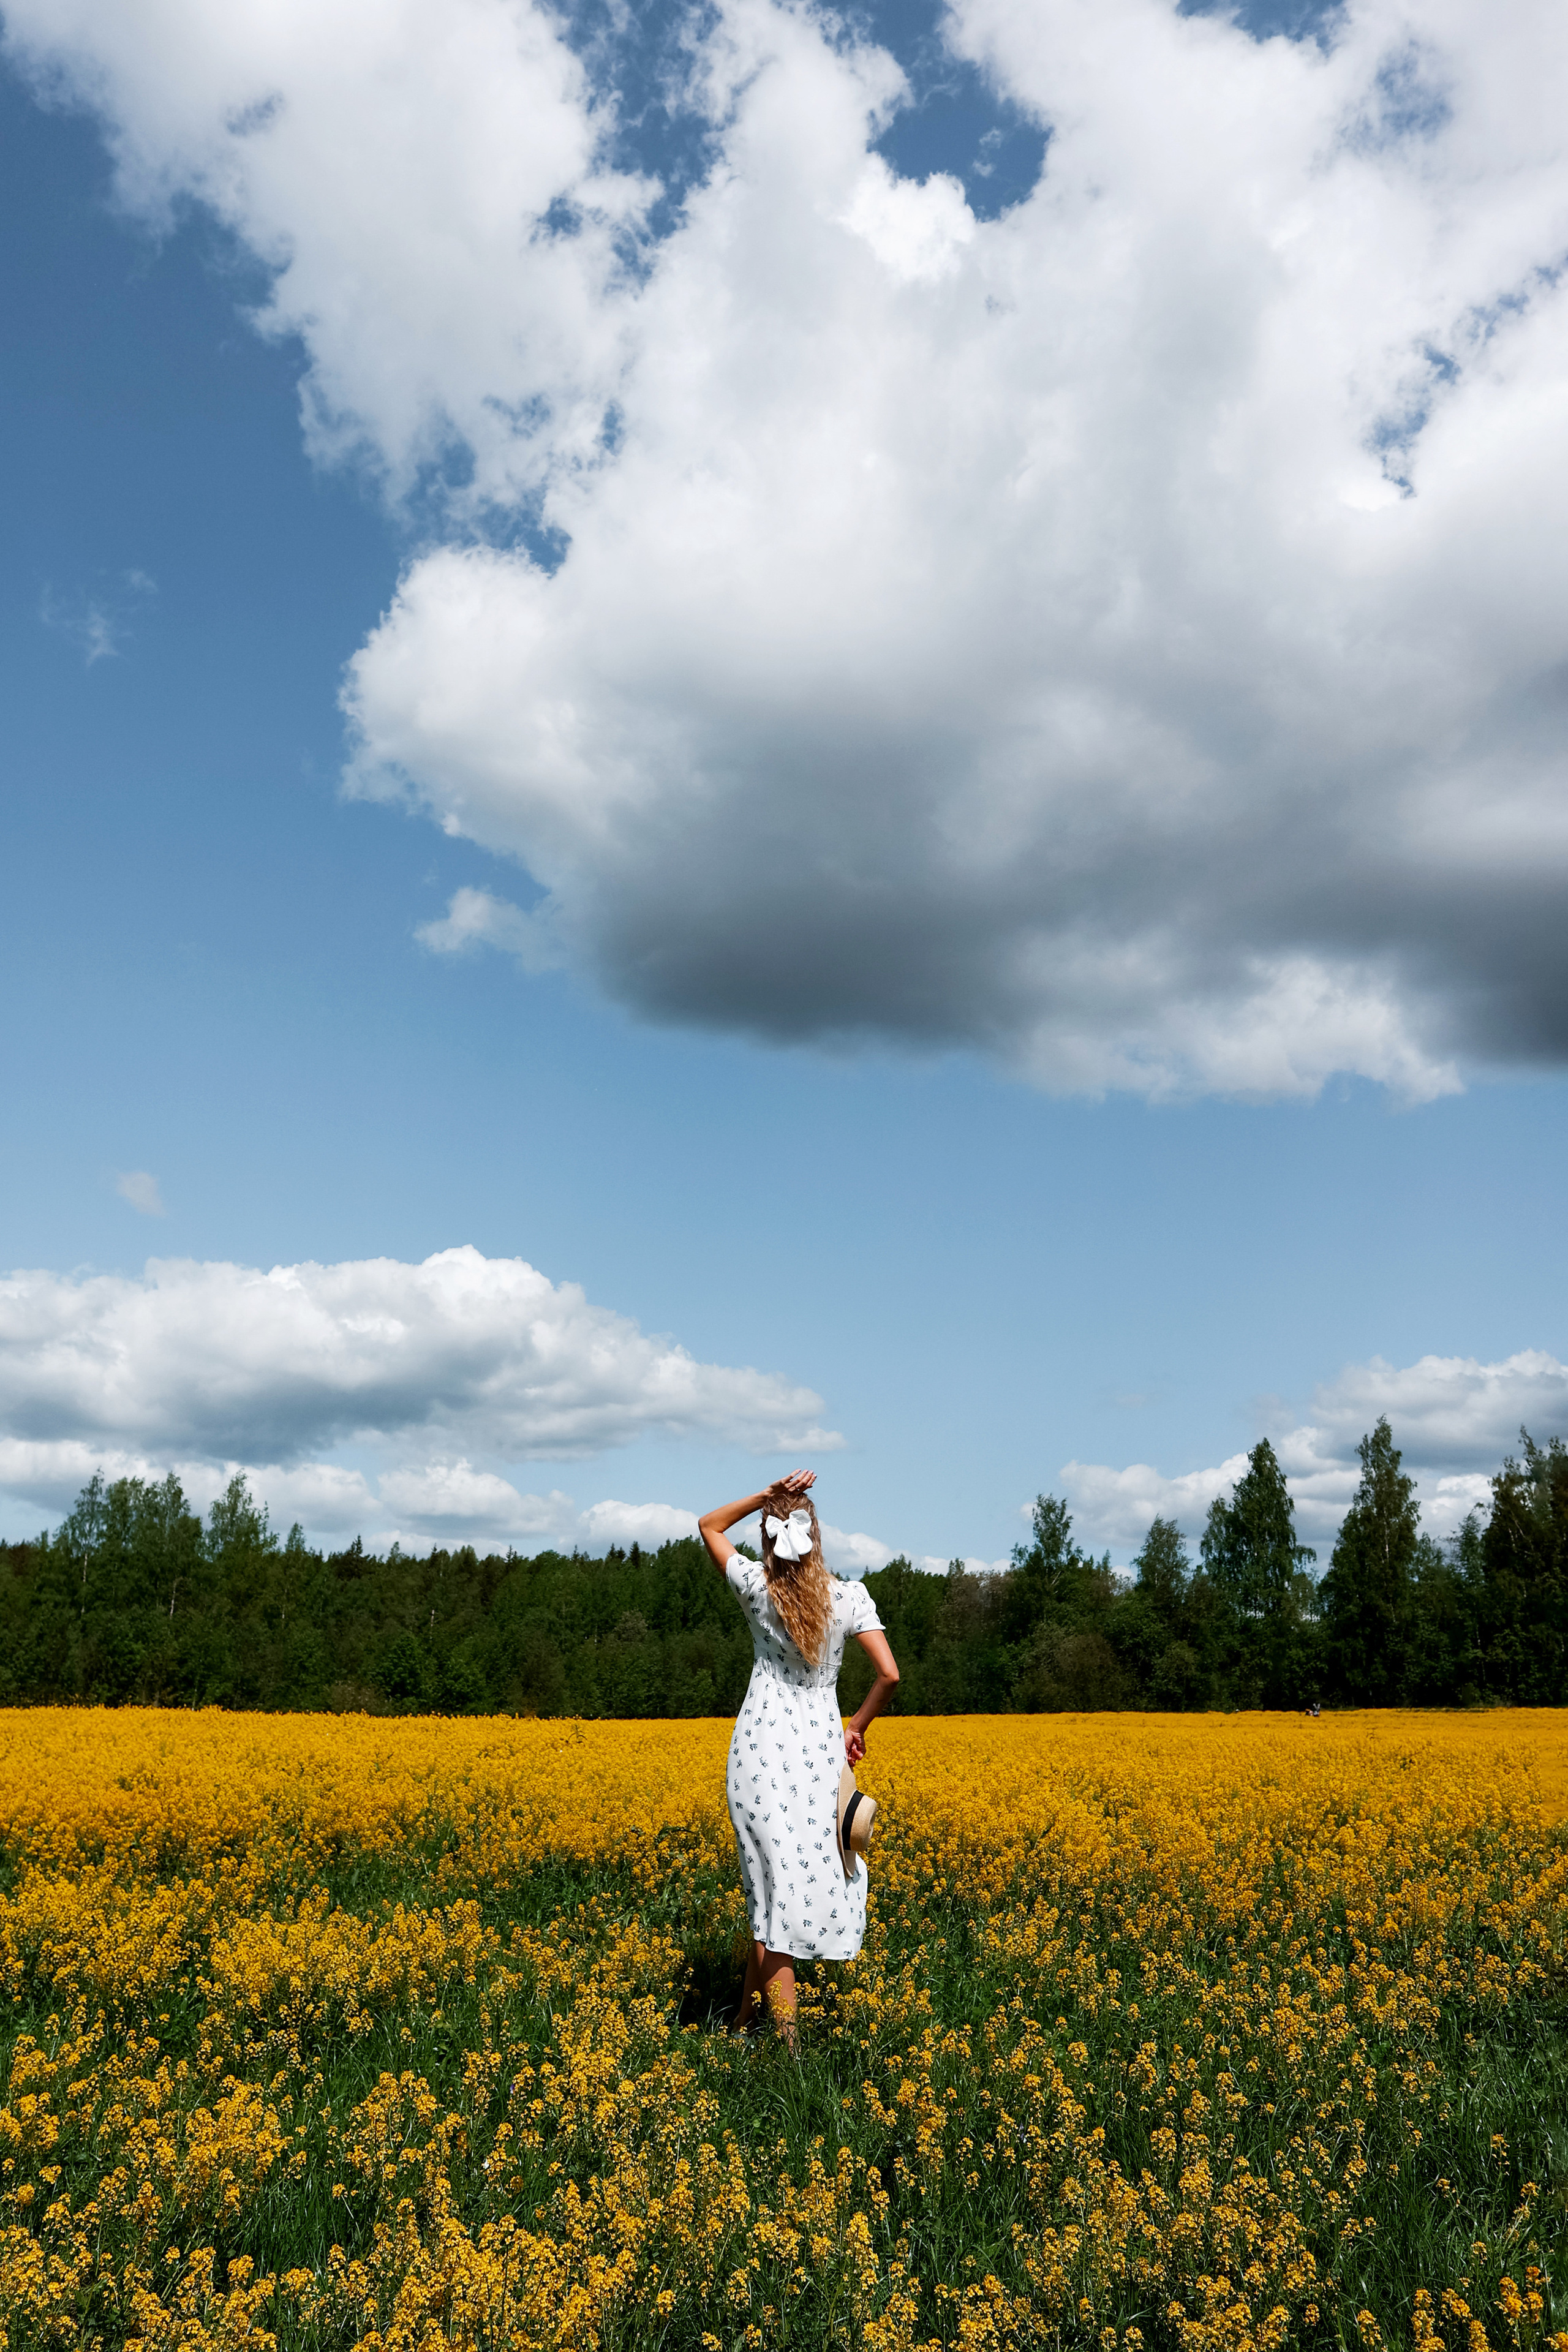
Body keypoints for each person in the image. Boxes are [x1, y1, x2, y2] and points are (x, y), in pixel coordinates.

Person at [699, 1467, 900, 2045]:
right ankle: (746, 2019)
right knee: (778, 1887)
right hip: (817, 1750)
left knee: (768, 1888)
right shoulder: (848, 1598)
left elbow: (708, 1525)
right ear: (816, 1535)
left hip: (759, 1748)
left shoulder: (757, 1589)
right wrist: (855, 1726)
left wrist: (766, 1495)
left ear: (768, 1539)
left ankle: (786, 2053)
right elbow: (888, 1675)